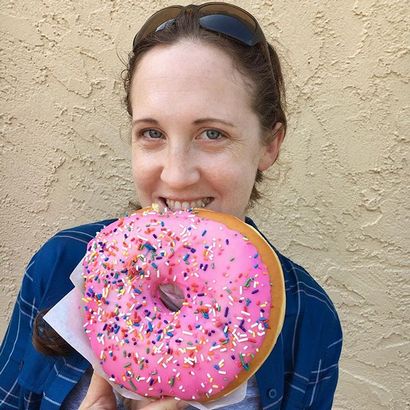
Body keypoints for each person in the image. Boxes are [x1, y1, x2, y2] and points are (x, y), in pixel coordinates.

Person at [0, 3, 342, 409]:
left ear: (269, 144)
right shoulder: (60, 267)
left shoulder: (309, 320)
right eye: (152, 132)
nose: (176, 176)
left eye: (212, 133)